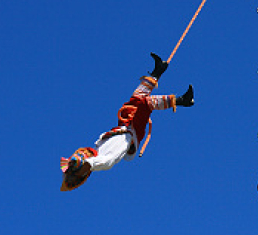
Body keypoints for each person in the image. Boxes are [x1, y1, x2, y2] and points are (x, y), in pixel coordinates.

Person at [60, 53, 195, 191]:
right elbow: (93, 163)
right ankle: (182, 100)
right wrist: (83, 166)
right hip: (133, 132)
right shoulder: (102, 160)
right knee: (145, 104)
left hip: (125, 127)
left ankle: (157, 71)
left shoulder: (98, 148)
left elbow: (88, 161)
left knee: (136, 100)